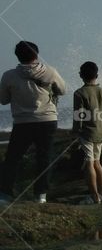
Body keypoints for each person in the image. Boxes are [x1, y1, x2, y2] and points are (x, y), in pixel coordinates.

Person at [0, 41, 67, 205]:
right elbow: (63, 90)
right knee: (44, 157)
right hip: (48, 121)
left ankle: (5, 194)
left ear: (17, 56)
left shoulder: (9, 76)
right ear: (36, 55)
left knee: (13, 159)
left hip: (23, 122)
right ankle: (41, 195)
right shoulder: (50, 72)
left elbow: (3, 100)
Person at [73, 61, 102, 204]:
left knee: (89, 163)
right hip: (101, 132)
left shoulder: (79, 93)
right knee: (97, 163)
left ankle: (95, 196)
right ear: (97, 75)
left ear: (81, 75)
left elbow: (79, 116)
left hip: (87, 133)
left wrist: (76, 132)